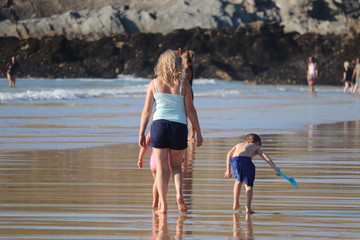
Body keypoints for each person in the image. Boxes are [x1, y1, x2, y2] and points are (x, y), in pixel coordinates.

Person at [139, 49, 203, 214]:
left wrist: (141, 133)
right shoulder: (184, 84)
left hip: (159, 126)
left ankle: (163, 206)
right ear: (178, 64)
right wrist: (198, 132)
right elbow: (190, 110)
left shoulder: (153, 83)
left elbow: (146, 111)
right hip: (179, 127)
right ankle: (179, 195)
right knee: (176, 167)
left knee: (161, 169)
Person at [224, 133, 278, 213]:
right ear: (257, 143)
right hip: (247, 162)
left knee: (238, 181)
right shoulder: (255, 146)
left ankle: (235, 203)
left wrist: (227, 170)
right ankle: (248, 208)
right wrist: (274, 168)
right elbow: (264, 155)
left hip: (235, 161)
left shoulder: (238, 145)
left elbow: (229, 155)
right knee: (249, 186)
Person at [182, 50, 196, 140]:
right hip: (189, 92)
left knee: (186, 114)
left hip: (186, 92)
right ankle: (191, 134)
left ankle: (190, 134)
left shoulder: (186, 69)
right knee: (189, 113)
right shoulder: (190, 68)